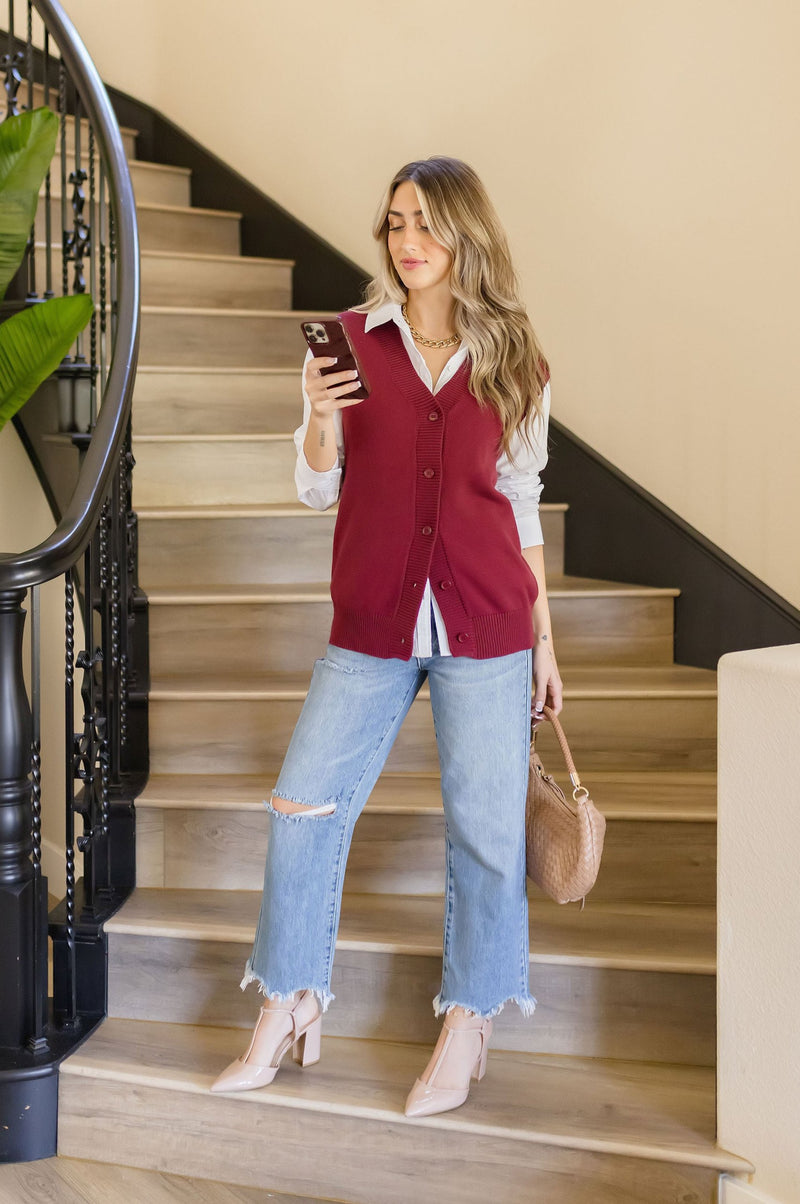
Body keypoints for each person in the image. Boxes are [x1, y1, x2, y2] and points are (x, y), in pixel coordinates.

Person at [211, 155, 563, 1117]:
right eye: (396, 222)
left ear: (466, 236)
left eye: (427, 223)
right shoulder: (354, 342)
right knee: (303, 804)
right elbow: (317, 484)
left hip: (488, 618)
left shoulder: (515, 356)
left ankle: (471, 1017)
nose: (407, 241)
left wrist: (545, 641)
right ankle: (290, 1001)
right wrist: (320, 418)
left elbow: (523, 509)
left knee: (487, 835)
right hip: (372, 616)